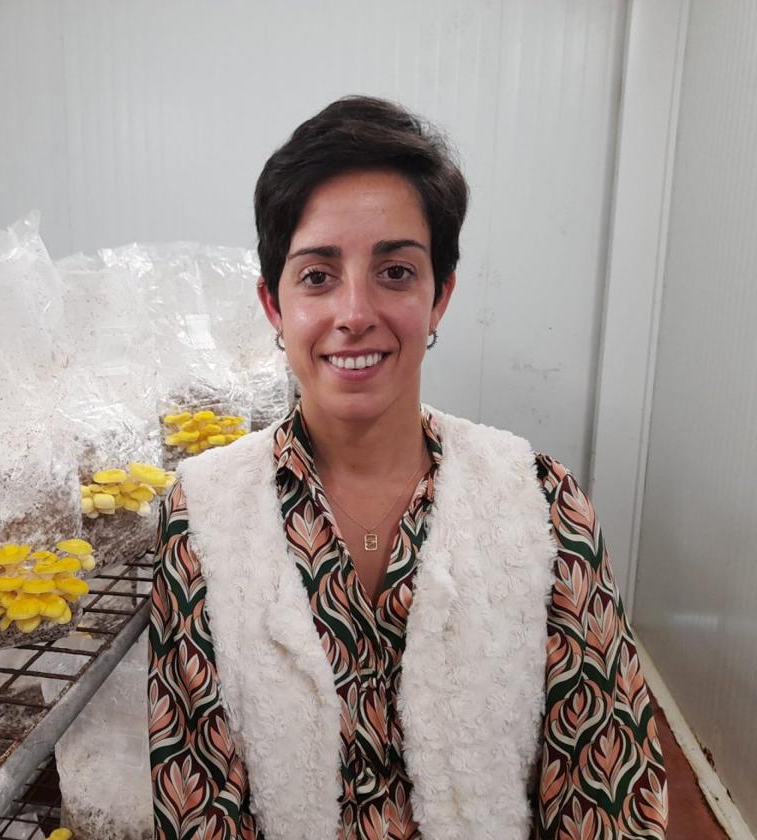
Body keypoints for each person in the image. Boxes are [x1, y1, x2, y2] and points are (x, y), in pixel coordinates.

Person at [147, 96, 667, 840]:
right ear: (273, 304)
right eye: (318, 277)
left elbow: (606, 794)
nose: (355, 312)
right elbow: (196, 802)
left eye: (395, 271)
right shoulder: (202, 517)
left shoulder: (541, 505)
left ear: (440, 296)